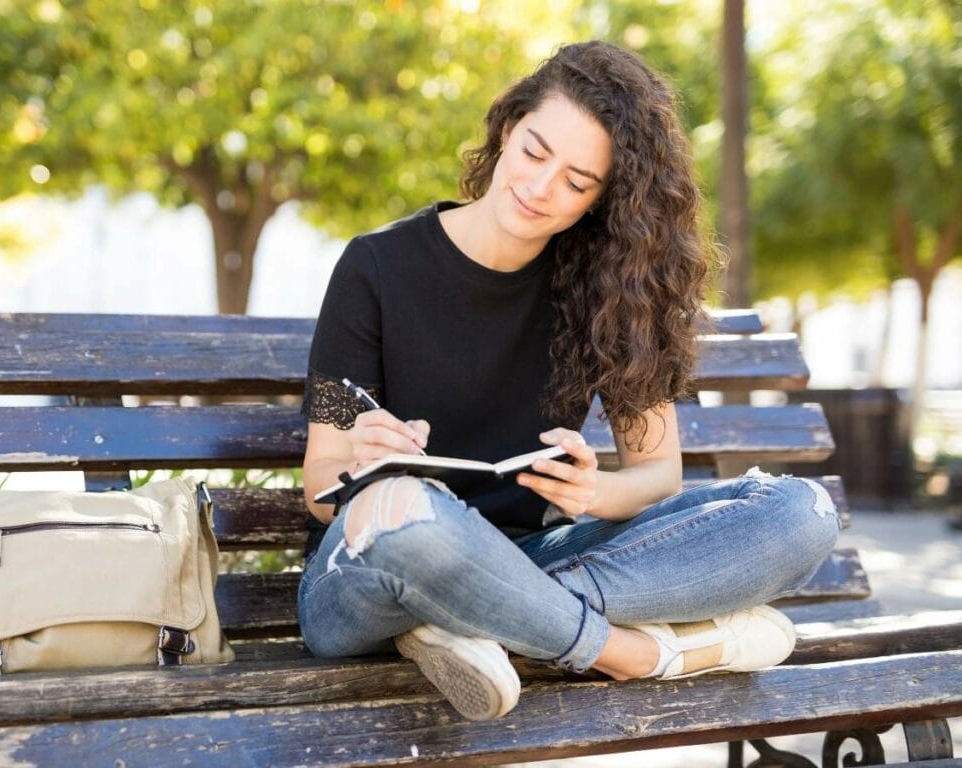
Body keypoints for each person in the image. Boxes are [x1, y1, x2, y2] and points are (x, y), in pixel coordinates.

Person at [297, 40, 840, 721]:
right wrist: (358, 460)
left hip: (530, 554)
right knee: (410, 513)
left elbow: (657, 475)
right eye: (533, 151)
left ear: (602, 201)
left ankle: (473, 622)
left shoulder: (609, 291)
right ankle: (633, 652)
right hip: (370, 570)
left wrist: (595, 491)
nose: (541, 188)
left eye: (578, 183)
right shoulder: (371, 268)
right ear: (506, 128)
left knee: (800, 514)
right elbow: (320, 491)